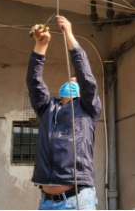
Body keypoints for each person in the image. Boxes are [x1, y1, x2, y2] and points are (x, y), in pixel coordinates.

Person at [27, 15, 101, 211]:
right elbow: (34, 82)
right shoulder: (47, 107)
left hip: (77, 201)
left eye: (75, 81)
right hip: (46, 202)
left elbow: (86, 77)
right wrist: (41, 46)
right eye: (70, 79)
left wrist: (69, 35)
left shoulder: (88, 108)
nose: (72, 80)